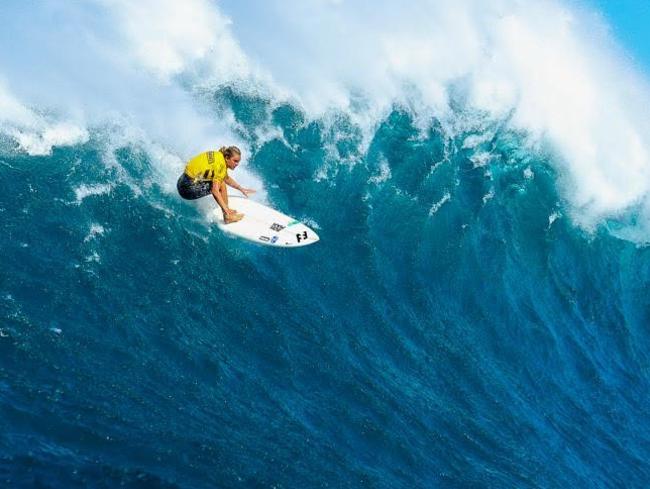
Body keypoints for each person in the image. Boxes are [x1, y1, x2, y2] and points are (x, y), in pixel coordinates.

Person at [177, 146, 255, 224]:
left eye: (238, 162)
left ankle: (227, 213)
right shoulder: (220, 166)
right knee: (221, 184)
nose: (237, 164)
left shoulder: (219, 156)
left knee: (220, 181)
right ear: (227, 158)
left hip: (182, 181)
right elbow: (215, 191)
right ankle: (228, 217)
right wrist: (226, 210)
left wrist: (241, 188)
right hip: (187, 189)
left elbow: (225, 177)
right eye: (235, 161)